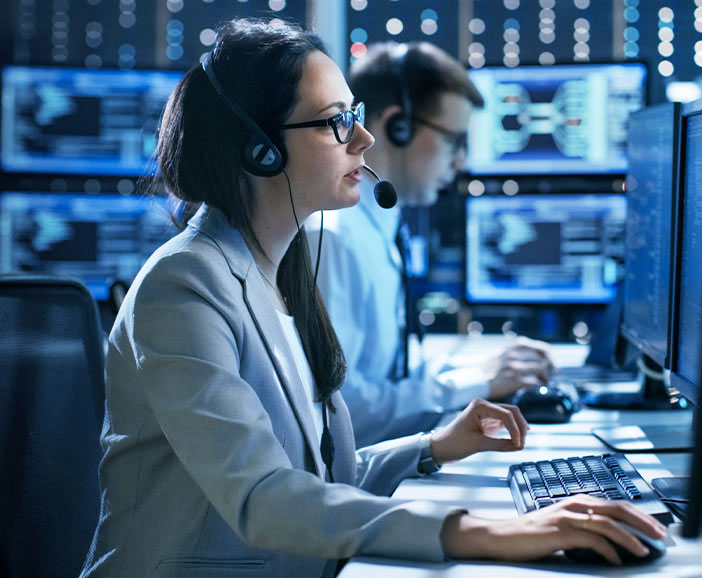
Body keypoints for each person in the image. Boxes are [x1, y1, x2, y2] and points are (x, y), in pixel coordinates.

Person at [81, 19, 666, 577]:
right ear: (260, 148)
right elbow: (264, 496)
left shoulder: (283, 271)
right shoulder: (184, 284)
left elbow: (319, 476)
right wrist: (485, 531)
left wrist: (433, 447)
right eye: (336, 122)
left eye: (355, 116)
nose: (364, 139)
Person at [308, 41, 555, 447]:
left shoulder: (379, 226)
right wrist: (478, 381)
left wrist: (483, 370)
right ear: (398, 127)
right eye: (454, 141)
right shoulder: (332, 239)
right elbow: (343, 412)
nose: (461, 162)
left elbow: (390, 372)